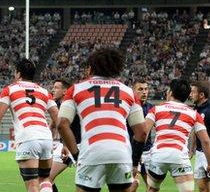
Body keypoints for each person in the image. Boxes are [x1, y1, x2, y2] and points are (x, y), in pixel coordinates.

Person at [58, 48, 148, 192]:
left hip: (91, 152)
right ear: (116, 68)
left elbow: (62, 124)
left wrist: (76, 156)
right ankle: (133, 185)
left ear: (91, 68)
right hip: (121, 153)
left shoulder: (76, 89)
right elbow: (142, 132)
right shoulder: (129, 92)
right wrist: (135, 162)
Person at [0, 59, 59, 192]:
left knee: (32, 185)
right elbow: (57, 116)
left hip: (28, 138)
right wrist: (54, 132)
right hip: (46, 138)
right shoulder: (44, 92)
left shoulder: (9, 90)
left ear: (18, 73)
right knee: (44, 180)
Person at [145, 79, 210, 192]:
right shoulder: (194, 114)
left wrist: (137, 155)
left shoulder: (155, 109)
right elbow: (206, 141)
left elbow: (144, 133)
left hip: (158, 155)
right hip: (179, 156)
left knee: (152, 189)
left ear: (171, 92)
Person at [48, 79, 80, 192]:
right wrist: (48, 144)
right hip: (65, 147)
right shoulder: (55, 105)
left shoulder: (74, 105)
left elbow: (65, 127)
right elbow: (52, 126)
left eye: (56, 87)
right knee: (46, 178)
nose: (52, 90)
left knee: (86, 183)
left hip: (79, 146)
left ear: (65, 91)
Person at [128, 80, 155, 192]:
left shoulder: (152, 109)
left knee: (152, 186)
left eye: (146, 89)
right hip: (132, 151)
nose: (144, 92)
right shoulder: (129, 107)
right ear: (133, 91)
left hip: (148, 152)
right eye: (140, 89)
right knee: (132, 184)